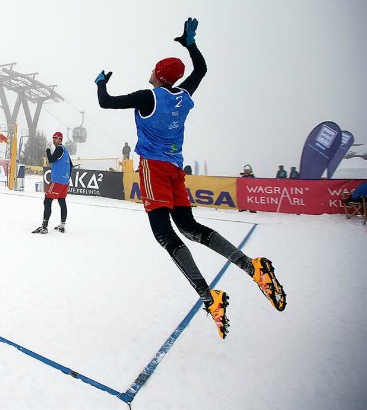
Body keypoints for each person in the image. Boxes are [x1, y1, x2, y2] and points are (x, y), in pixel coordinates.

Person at [95, 17, 286, 339]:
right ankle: (251, 266)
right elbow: (201, 71)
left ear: (157, 74)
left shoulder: (148, 96)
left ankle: (208, 296)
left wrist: (100, 82)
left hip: (155, 168)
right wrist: (191, 44)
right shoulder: (183, 95)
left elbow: (105, 102)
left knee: (166, 236)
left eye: (155, 70)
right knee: (189, 227)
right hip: (174, 169)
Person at [32, 131, 72, 234]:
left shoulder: (59, 149)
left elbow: (50, 159)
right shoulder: (65, 150)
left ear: (60, 139)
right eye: (53, 137)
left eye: (56, 138)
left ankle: (44, 227)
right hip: (64, 181)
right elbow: (71, 165)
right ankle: (62, 226)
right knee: (62, 201)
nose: (54, 139)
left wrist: (48, 149)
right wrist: (66, 177)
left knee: (47, 201)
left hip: (57, 181)